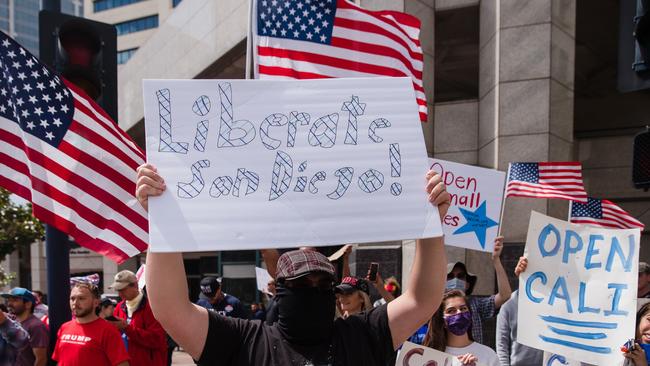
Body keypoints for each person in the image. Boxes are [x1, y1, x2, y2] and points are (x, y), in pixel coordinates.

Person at [137, 163, 450, 365]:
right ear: (280, 290)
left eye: (323, 284)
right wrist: (163, 221)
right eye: (302, 284)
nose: (314, 289)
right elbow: (171, 309)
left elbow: (422, 300)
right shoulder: (246, 341)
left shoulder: (360, 335)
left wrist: (431, 225)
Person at [444, 235, 511, 344]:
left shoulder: (475, 304)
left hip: (474, 358)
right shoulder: (434, 307)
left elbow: (505, 295)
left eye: (460, 276)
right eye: (450, 276)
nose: (455, 280)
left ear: (467, 284)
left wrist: (496, 260)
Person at [52, 282, 130, 366]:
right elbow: (60, 361)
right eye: (72, 298)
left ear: (96, 303)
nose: (75, 303)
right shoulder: (64, 328)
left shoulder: (108, 331)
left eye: (81, 298)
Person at [422, 289, 499, 366]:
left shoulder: (488, 354)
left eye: (463, 308)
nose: (459, 312)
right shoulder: (431, 357)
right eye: (451, 311)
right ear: (442, 321)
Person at [109, 270, 167, 366]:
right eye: (118, 290)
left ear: (135, 286)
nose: (120, 294)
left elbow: (157, 339)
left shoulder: (151, 308)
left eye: (122, 289)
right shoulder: (120, 307)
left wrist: (126, 328)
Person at [1, 288, 48, 366]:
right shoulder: (12, 321)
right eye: (9, 300)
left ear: (28, 304)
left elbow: (41, 359)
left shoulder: (37, 326)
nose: (9, 304)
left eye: (14, 300)